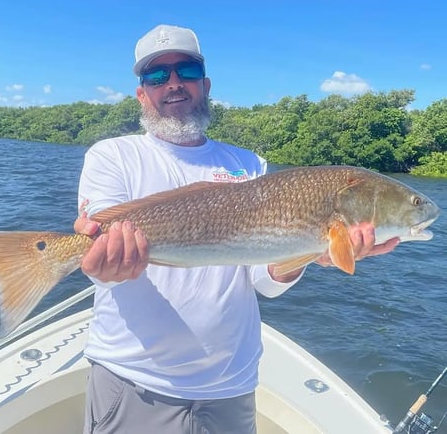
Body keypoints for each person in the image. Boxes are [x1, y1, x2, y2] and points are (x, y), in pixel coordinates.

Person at [74, 24, 399, 434]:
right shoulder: (113, 155)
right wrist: (100, 263)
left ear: (205, 84)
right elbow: (98, 244)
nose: (173, 83)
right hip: (136, 380)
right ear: (142, 93)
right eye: (157, 76)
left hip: (232, 386)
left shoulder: (249, 164)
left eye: (186, 71)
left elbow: (263, 278)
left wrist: (311, 253)